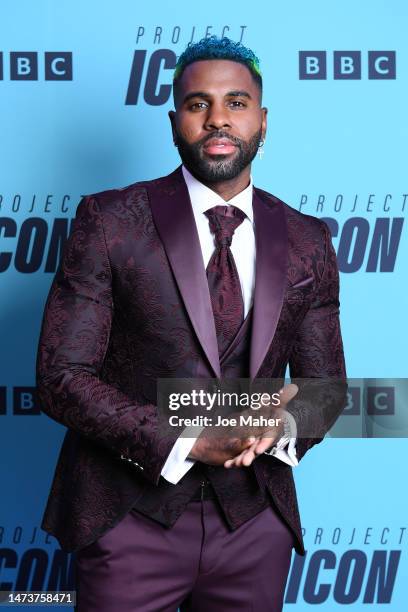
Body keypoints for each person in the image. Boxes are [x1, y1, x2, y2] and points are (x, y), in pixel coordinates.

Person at [36, 36, 347, 611]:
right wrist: (187, 440)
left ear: (263, 119)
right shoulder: (108, 221)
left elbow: (326, 389)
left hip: (255, 525)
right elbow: (62, 375)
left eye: (236, 101)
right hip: (130, 517)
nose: (219, 119)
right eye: (199, 104)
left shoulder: (308, 239)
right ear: (174, 120)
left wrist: (272, 432)